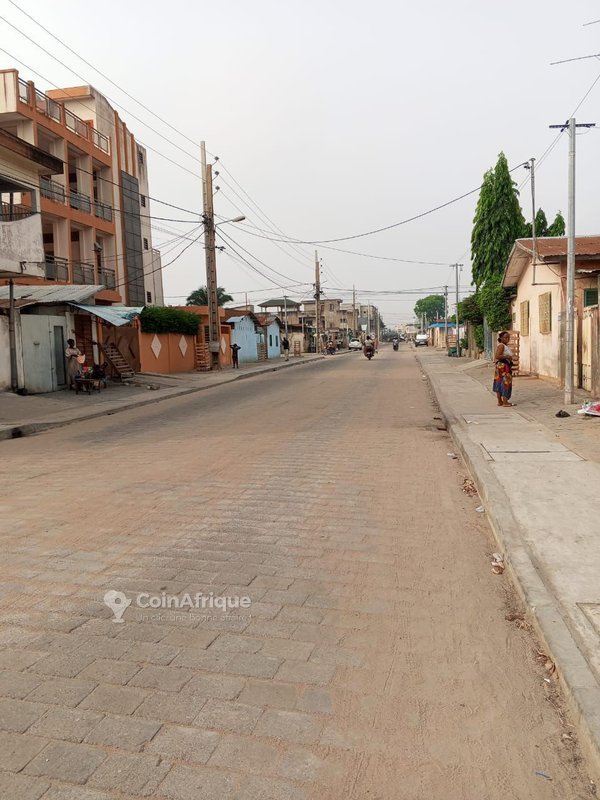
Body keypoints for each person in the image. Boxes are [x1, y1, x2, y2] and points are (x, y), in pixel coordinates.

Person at [493, 331, 515, 407]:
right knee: (506, 383)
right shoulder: (502, 346)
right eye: (505, 337)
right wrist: (508, 357)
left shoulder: (503, 346)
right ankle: (505, 402)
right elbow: (497, 356)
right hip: (504, 366)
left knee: (499, 383)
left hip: (500, 366)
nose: (507, 339)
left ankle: (500, 401)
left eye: (508, 337)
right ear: (501, 338)